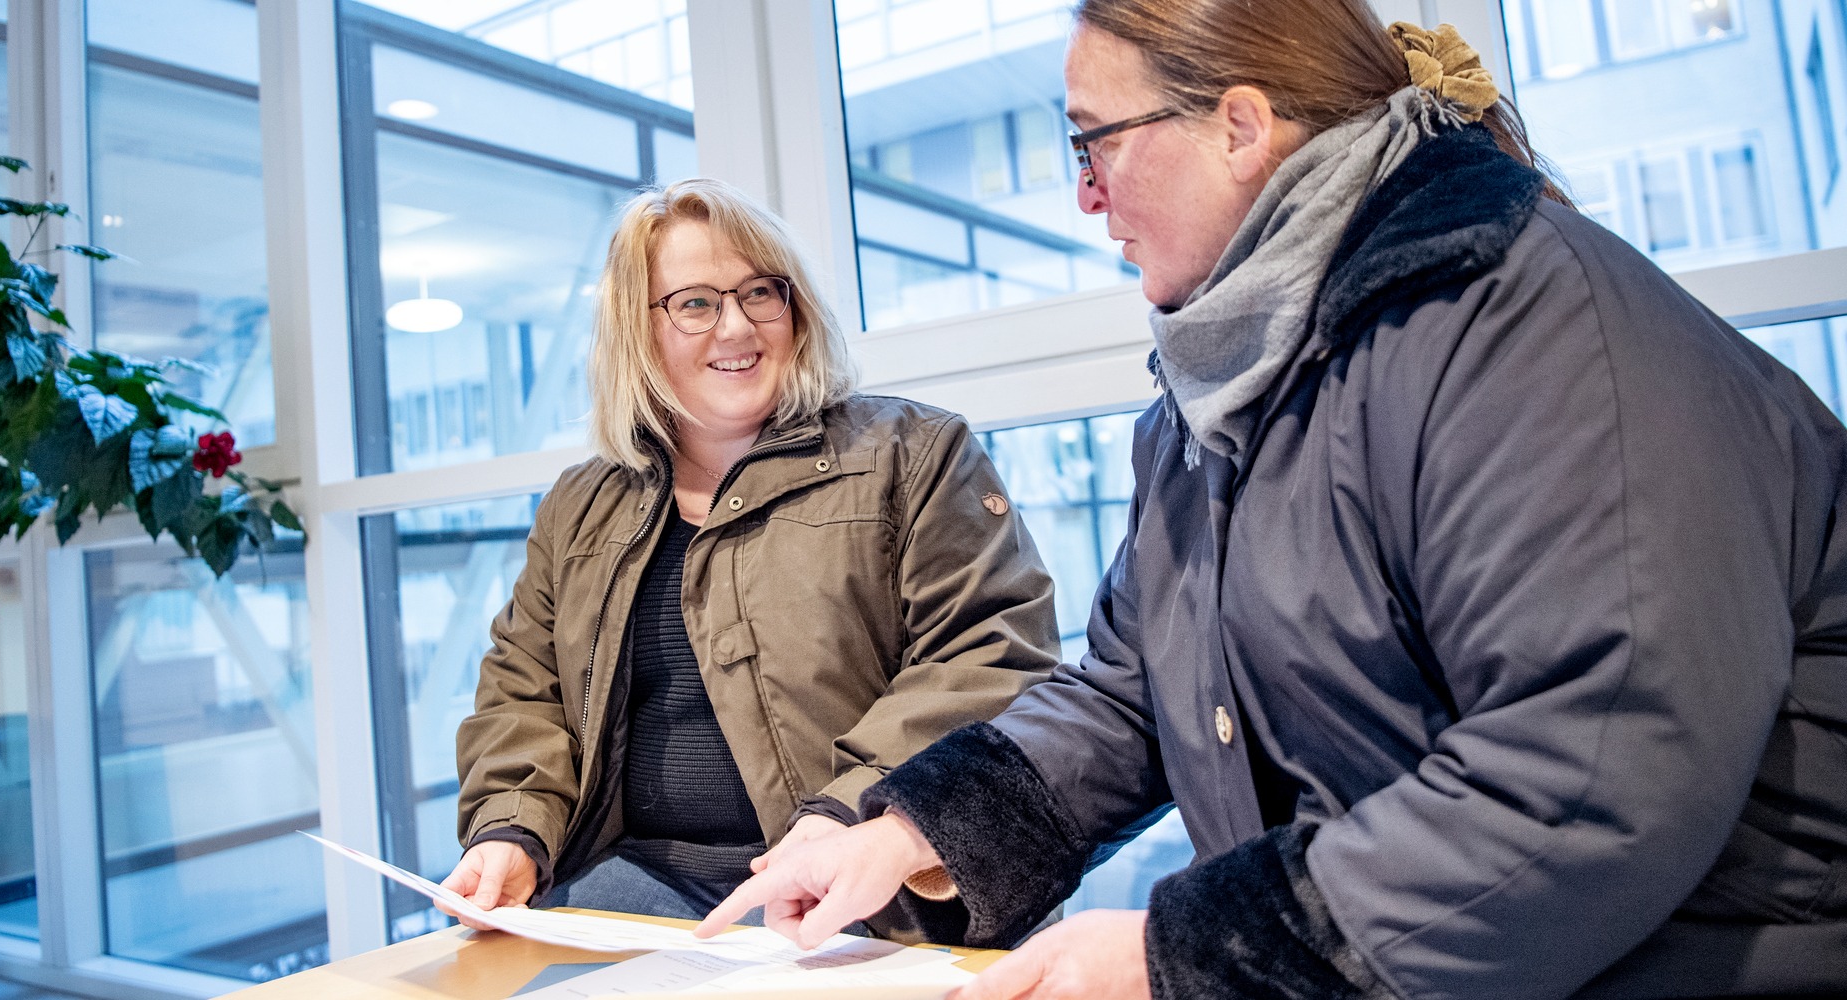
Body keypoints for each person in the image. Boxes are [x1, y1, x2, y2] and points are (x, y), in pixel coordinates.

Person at [698, 2, 1847, 997]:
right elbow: (1127, 697)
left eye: (1093, 143)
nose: (1087, 194)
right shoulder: (1214, 402)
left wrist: (1181, 956)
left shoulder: (1526, 325)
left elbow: (1592, 768)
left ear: (1238, 126)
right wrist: (907, 828)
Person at [436, 178, 1060, 930]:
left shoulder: (913, 454)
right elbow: (523, 690)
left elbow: (987, 655)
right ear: (638, 329)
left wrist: (848, 808)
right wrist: (513, 826)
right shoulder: (579, 505)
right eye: (695, 303)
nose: (737, 326)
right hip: (635, 890)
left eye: (761, 293)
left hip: (858, 895)